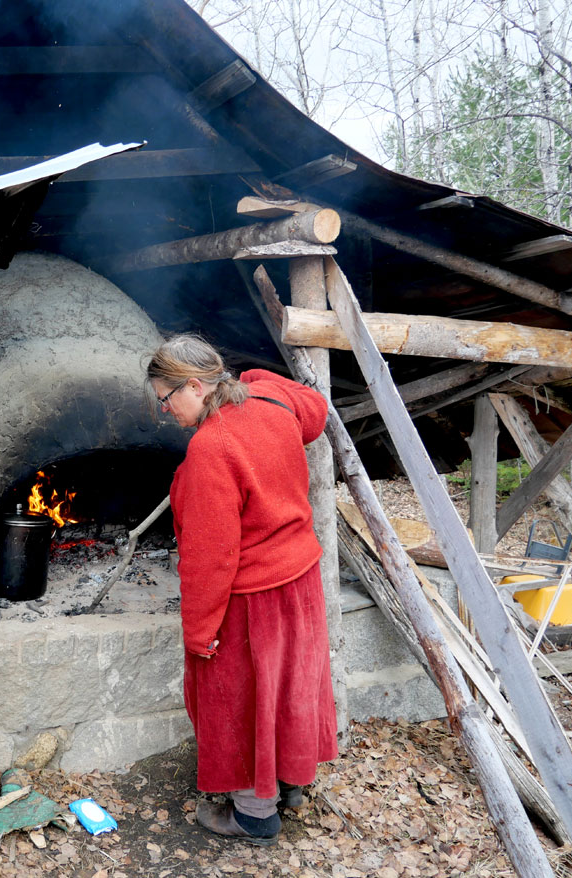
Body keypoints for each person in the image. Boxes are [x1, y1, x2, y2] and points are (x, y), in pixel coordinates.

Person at [146, 333, 338, 846]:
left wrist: (200, 631)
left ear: (194, 386)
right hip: (301, 580)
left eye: (166, 398)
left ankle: (255, 814)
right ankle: (291, 784)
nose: (164, 411)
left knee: (244, 696)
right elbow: (314, 410)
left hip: (253, 599)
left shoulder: (210, 447)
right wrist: (255, 379)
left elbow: (211, 559)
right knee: (290, 686)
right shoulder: (268, 400)